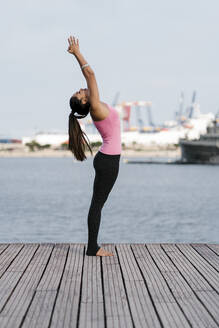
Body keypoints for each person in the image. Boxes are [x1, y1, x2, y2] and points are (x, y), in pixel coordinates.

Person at [67, 36, 122, 257]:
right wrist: (77, 53)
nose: (81, 89)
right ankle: (92, 248)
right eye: (79, 93)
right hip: (108, 161)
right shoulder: (97, 107)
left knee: (98, 203)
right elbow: (90, 74)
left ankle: (93, 245)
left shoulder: (98, 107)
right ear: (83, 103)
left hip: (107, 159)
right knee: (97, 204)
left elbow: (90, 78)